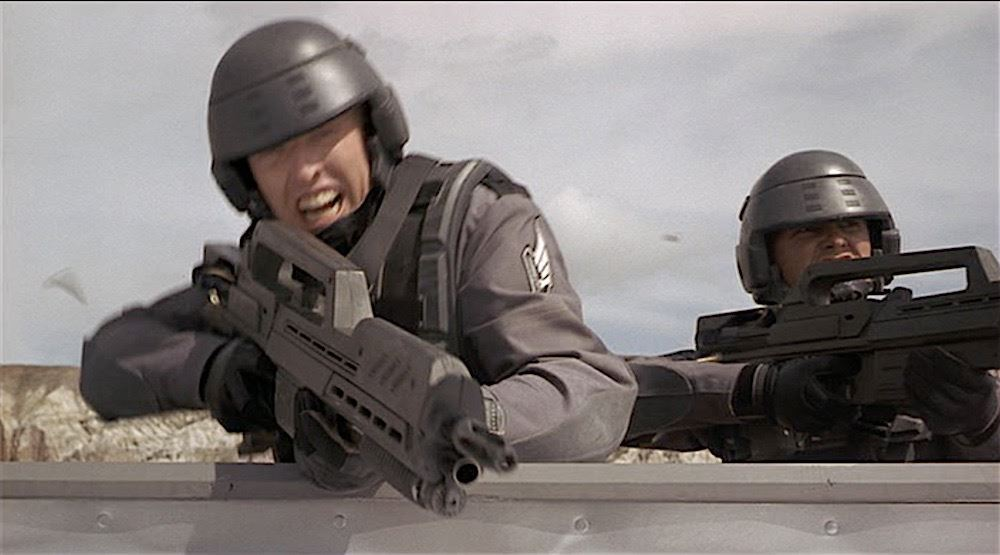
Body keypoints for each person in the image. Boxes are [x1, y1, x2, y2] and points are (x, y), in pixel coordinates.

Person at [79, 19, 637, 487]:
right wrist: (226, 373)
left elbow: (590, 398)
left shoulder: (470, 222)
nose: (306, 171)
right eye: (274, 155)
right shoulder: (260, 275)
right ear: (244, 182)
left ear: (373, 130)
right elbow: (108, 361)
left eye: (323, 136)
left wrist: (471, 416)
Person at [623, 149, 999, 461]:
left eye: (851, 227)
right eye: (809, 230)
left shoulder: (936, 337)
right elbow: (605, 395)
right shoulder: (739, 353)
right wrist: (757, 389)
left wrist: (986, 423)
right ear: (765, 258)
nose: (837, 242)